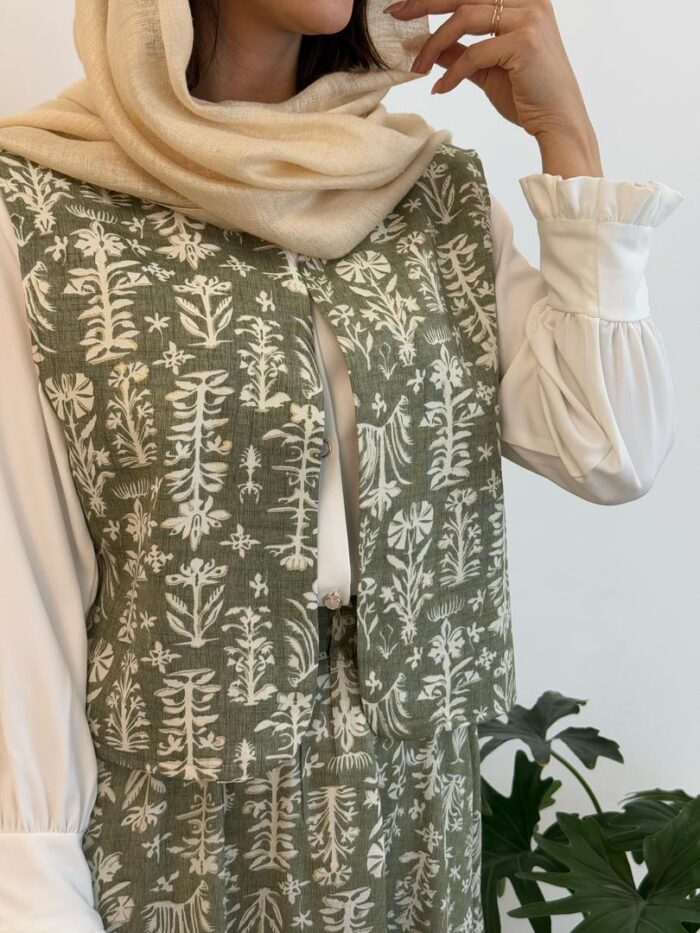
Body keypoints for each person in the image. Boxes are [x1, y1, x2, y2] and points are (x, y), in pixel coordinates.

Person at [0, 1, 683, 930]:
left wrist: (567, 136)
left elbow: (608, 447)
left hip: (410, 820)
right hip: (172, 837)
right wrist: (34, 883)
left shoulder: (428, 194)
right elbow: (23, 590)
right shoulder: (42, 206)